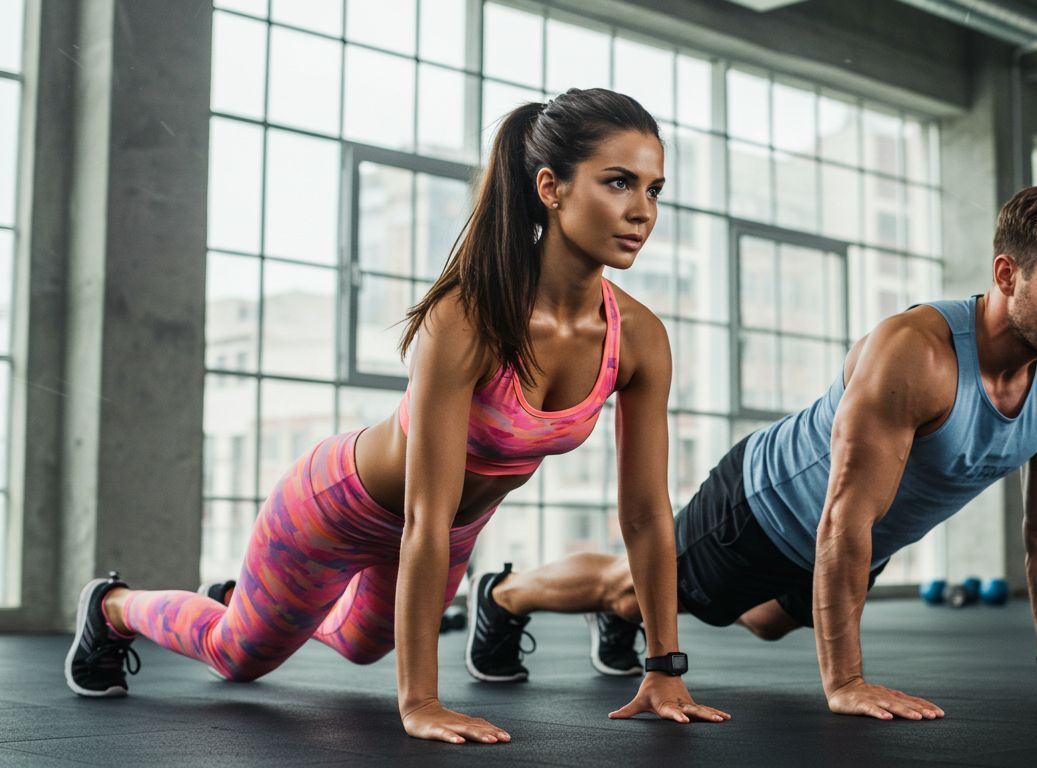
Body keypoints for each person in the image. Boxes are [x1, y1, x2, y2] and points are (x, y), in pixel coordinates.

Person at [63, 88, 729, 744]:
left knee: (361, 646)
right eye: (618, 182)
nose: (642, 211)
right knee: (238, 656)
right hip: (340, 505)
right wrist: (421, 703)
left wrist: (665, 668)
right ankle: (115, 606)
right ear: (551, 188)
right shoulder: (468, 316)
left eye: (654, 189)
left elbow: (644, 514)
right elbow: (423, 514)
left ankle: (257, 597)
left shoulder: (639, 337)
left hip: (450, 530)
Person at [469, 183, 1037, 719]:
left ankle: (621, 611)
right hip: (764, 503)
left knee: (765, 624)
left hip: (850, 539)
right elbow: (844, 516)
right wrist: (845, 681)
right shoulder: (918, 354)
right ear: (1007, 272)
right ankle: (504, 595)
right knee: (641, 590)